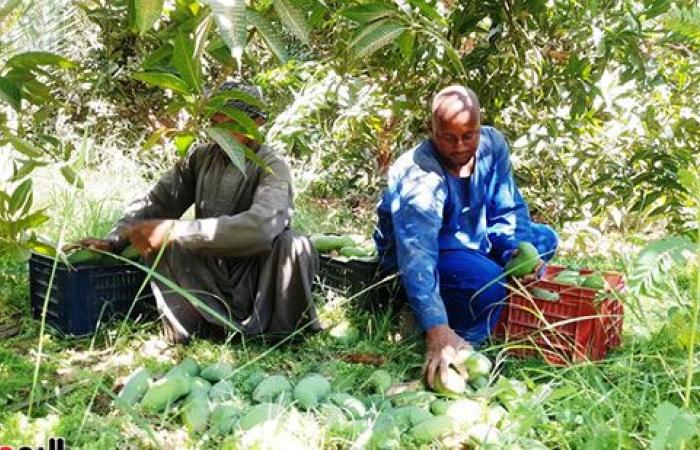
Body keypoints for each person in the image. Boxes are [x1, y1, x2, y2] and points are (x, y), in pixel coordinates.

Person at [76, 82, 320, 344]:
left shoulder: (272, 166)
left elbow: (261, 228)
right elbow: (157, 201)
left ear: (257, 123)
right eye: (215, 122)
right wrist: (116, 238)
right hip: (209, 266)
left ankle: (280, 333)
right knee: (163, 240)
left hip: (257, 275)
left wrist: (180, 231)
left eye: (230, 123)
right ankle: (197, 328)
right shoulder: (201, 158)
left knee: (295, 244)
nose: (220, 131)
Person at [373, 85, 558, 388]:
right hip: (424, 254)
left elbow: (508, 208)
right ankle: (430, 320)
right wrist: (437, 330)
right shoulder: (420, 174)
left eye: (468, 136)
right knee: (486, 280)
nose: (459, 146)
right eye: (448, 138)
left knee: (544, 240)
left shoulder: (492, 145)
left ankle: (485, 291)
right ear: (432, 131)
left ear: (479, 127)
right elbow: (417, 256)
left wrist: (513, 251)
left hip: (472, 240)